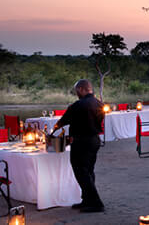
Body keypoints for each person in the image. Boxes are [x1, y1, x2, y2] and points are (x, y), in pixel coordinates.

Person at [51, 79, 104, 212]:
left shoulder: (78, 105)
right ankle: (87, 200)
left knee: (81, 172)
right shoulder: (99, 103)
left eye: (76, 91)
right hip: (95, 140)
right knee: (89, 171)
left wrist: (53, 130)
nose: (76, 93)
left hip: (82, 141)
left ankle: (96, 203)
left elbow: (63, 121)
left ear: (81, 89)